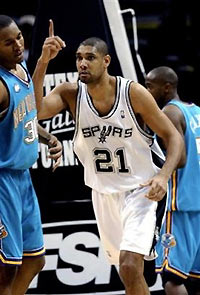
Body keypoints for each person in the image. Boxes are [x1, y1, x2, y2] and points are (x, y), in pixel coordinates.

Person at [32, 20, 185, 295]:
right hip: (103, 193)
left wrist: (163, 175)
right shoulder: (70, 93)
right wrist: (43, 61)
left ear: (106, 61)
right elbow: (35, 111)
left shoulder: (133, 93)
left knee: (129, 265)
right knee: (127, 274)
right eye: (79, 58)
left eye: (90, 58)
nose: (82, 64)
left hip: (142, 191)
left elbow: (173, 137)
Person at [0, 15, 63, 295]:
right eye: (8, 43)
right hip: (3, 182)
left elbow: (29, 112)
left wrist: (48, 137)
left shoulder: (20, 67)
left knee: (34, 260)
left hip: (22, 179)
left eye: (19, 38)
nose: (17, 45)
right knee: (5, 268)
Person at [145, 66, 200, 295]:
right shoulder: (196, 111)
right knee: (194, 280)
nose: (146, 91)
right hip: (197, 203)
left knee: (172, 278)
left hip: (178, 206)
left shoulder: (169, 112)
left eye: (150, 86)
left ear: (166, 87)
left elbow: (179, 158)